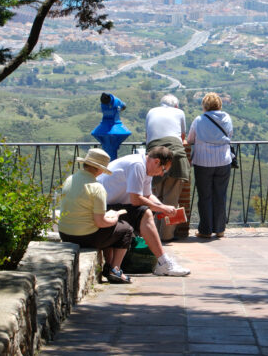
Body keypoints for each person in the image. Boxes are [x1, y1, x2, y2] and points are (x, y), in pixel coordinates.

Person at [97, 146, 191, 276]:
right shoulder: (137, 166)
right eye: (163, 169)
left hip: (112, 205)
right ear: (156, 161)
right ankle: (163, 263)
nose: (162, 174)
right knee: (145, 213)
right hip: (103, 208)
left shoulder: (146, 168)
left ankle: (160, 263)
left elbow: (147, 195)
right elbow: (136, 200)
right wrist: (161, 208)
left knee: (148, 210)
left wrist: (163, 207)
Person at [57, 148, 134, 284]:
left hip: (65, 234)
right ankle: (115, 269)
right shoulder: (97, 188)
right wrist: (114, 218)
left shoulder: (70, 179)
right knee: (126, 229)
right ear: (99, 169)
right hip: (85, 237)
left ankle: (108, 265)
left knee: (112, 230)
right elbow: (100, 223)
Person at [186, 92, 233, 238]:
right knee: (220, 195)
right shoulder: (227, 118)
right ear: (219, 105)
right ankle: (220, 229)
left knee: (205, 196)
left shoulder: (199, 120)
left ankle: (205, 230)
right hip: (223, 161)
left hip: (203, 162)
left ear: (205, 106)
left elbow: (190, 139)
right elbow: (229, 135)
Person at [144, 94, 190, 241]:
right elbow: (182, 137)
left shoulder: (151, 111)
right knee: (171, 198)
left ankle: (154, 233)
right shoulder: (179, 112)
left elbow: (147, 136)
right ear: (176, 106)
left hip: (154, 156)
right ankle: (166, 235)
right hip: (175, 156)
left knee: (155, 197)